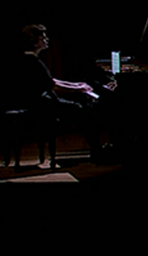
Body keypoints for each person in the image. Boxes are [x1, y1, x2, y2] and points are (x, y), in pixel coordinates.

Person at [14, 24, 112, 164]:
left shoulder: (30, 59)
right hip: (39, 105)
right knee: (83, 111)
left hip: (41, 101)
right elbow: (51, 85)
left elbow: (50, 81)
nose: (46, 40)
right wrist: (78, 88)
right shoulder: (32, 61)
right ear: (34, 42)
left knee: (82, 105)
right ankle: (97, 151)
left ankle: (96, 149)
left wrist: (76, 85)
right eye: (43, 38)